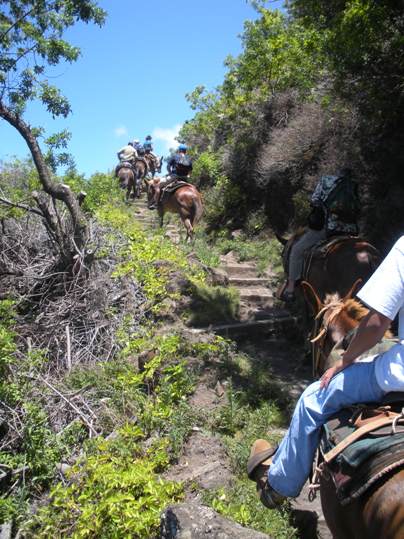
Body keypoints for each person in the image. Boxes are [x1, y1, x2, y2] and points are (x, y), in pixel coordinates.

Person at [248, 235, 404, 508]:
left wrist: (345, 360)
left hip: (398, 374)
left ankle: (278, 486)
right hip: (347, 228)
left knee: (311, 398)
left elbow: (377, 322)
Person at [279, 168, 359, 302]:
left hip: (328, 229)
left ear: (337, 173)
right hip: (350, 230)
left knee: (297, 250)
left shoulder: (326, 180)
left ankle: (291, 288)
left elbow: (314, 200)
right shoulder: (353, 185)